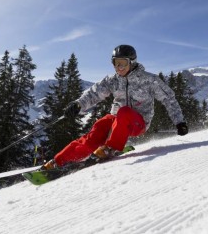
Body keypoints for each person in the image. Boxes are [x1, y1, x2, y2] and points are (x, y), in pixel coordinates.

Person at [42, 44, 188, 169]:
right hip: (116, 121)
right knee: (99, 126)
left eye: (122, 63)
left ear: (132, 62)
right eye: (115, 63)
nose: (119, 67)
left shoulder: (149, 80)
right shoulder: (112, 81)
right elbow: (94, 94)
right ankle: (58, 161)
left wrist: (179, 122)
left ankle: (110, 148)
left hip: (138, 123)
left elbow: (169, 99)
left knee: (124, 112)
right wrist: (78, 105)